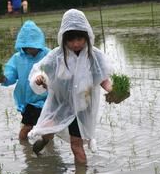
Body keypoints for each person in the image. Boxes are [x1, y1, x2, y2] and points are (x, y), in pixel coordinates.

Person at [28, 9, 113, 164]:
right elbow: (40, 70)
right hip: (60, 105)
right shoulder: (57, 55)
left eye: (80, 39)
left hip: (81, 109)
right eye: (71, 40)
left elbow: (103, 78)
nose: (75, 44)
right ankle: (38, 148)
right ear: (63, 38)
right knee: (47, 133)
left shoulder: (94, 56)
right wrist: (39, 78)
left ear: (87, 36)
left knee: (76, 145)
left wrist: (113, 90)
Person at [0, 20, 51, 141]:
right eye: (29, 47)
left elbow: (58, 71)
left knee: (48, 128)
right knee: (28, 126)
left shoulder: (48, 54)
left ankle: (47, 146)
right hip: (28, 101)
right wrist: (3, 78)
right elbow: (10, 75)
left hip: (47, 98)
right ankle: (25, 148)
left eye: (35, 46)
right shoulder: (17, 58)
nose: (33, 50)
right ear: (23, 45)